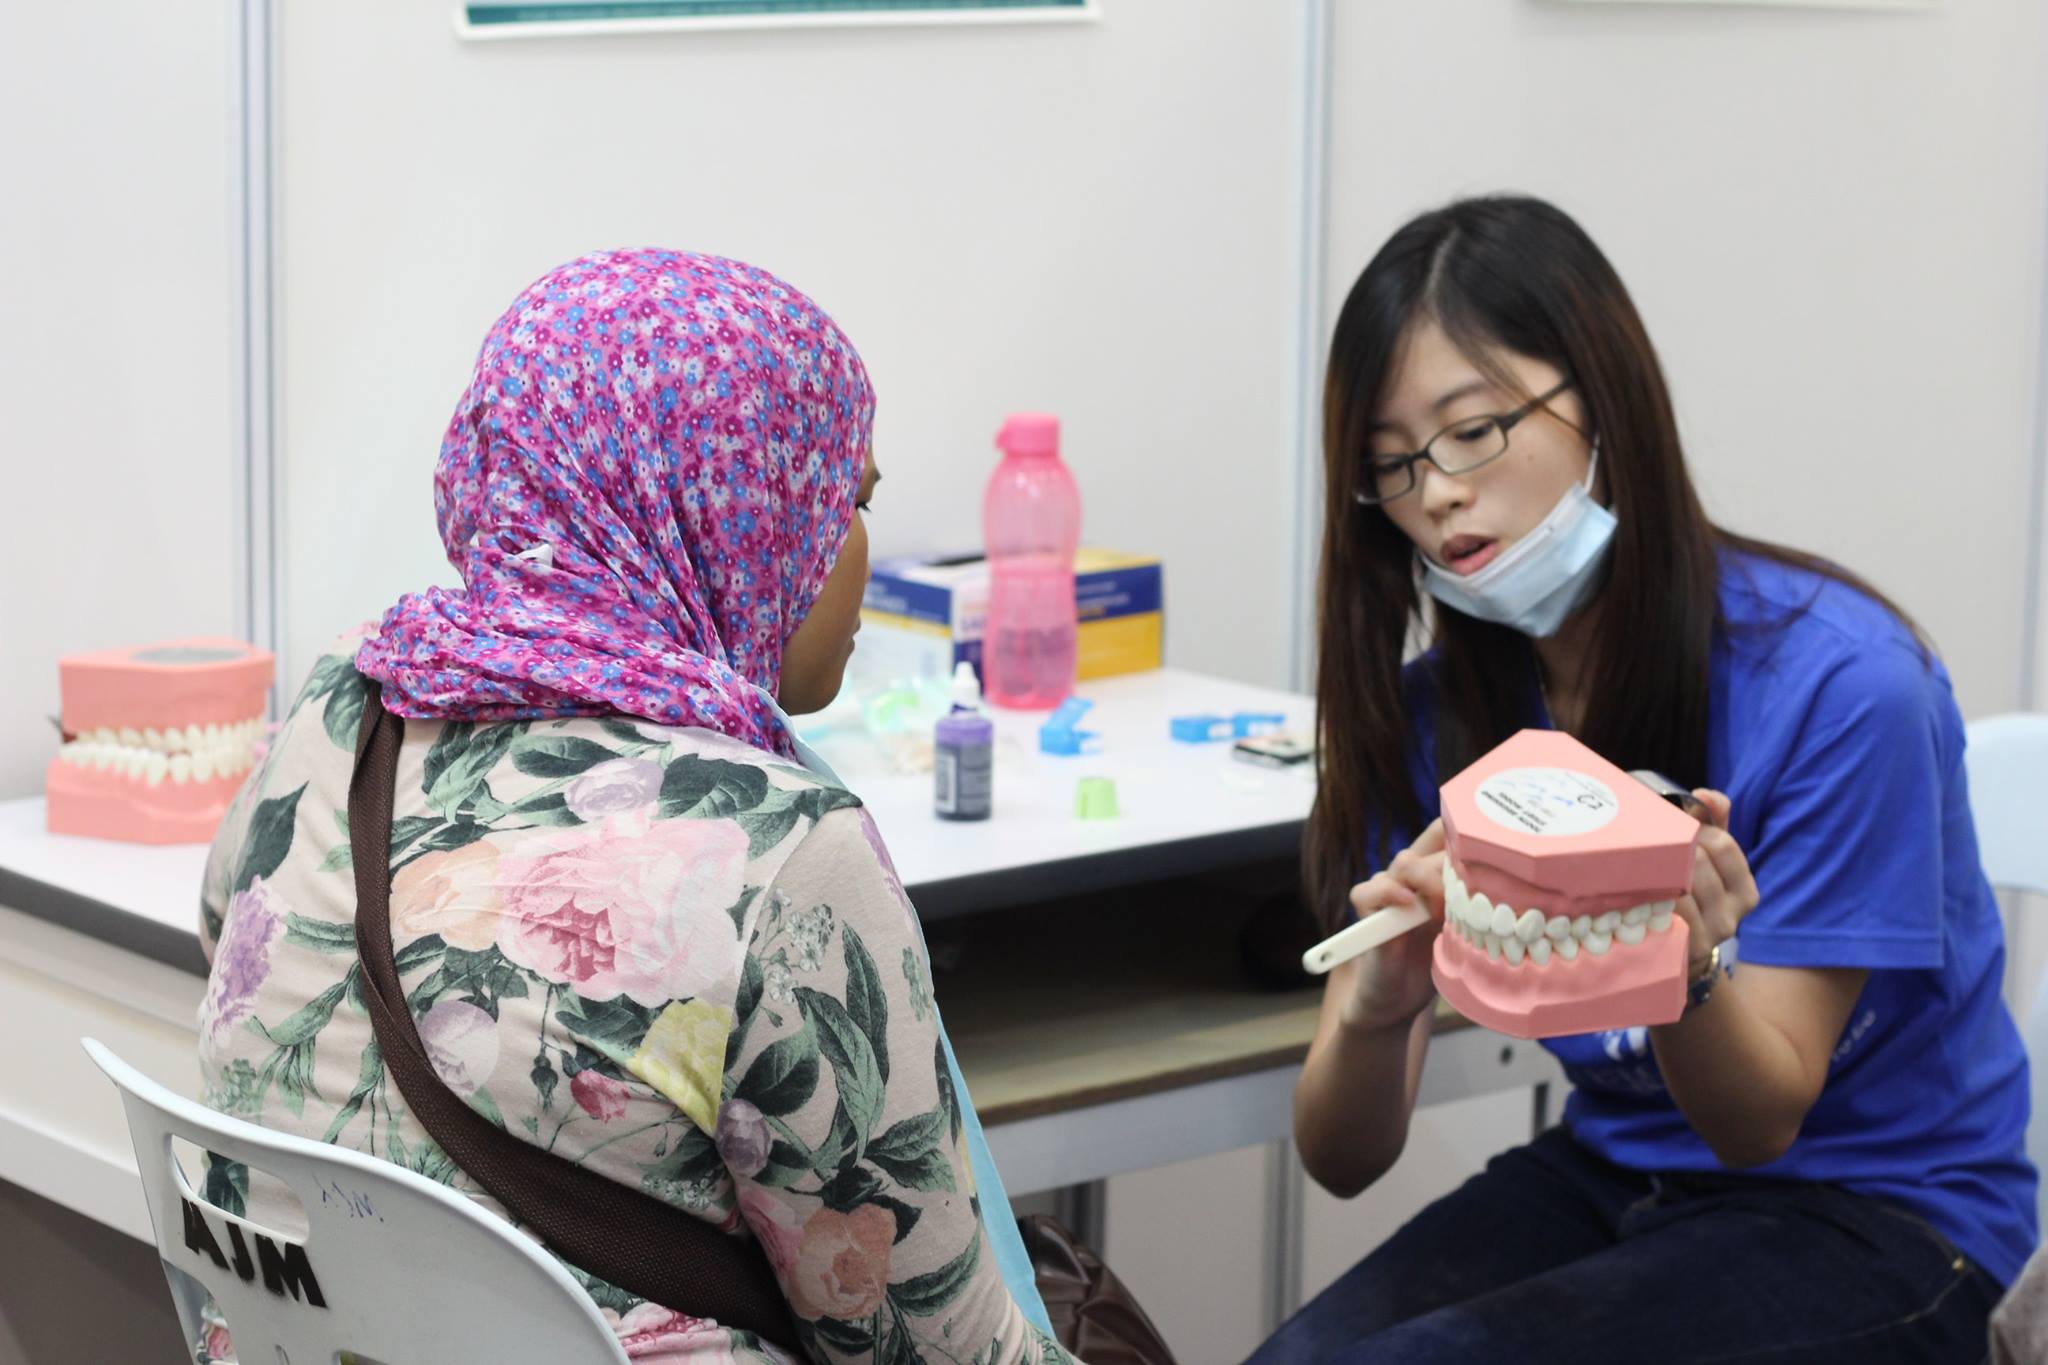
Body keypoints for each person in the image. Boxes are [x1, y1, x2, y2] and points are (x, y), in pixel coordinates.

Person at [194, 249, 1074, 1365]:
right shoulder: (781, 850)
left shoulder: (343, 705)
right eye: (845, 500)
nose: (860, 546)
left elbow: (225, 935)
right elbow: (938, 1353)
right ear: (736, 515)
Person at [1253, 195, 2035, 1365]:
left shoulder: (1842, 686)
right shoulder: (1439, 716)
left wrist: (1684, 972)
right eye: (1391, 465)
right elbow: (1340, 1158)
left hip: (1885, 1221)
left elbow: (1757, 1125)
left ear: (1602, 400)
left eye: (1471, 431)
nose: (1435, 494)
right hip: (1619, 1171)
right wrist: (1378, 1009)